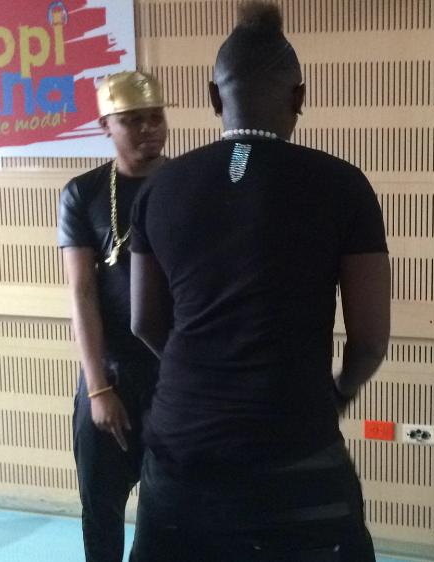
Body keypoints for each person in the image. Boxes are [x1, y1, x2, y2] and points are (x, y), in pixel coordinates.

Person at [126, 2, 390, 561]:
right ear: (299, 97)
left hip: (181, 453)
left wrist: (205, 374)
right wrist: (336, 395)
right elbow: (369, 341)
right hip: (295, 445)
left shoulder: (160, 188)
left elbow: (144, 321)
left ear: (213, 97)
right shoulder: (342, 186)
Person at [57, 70, 169, 562]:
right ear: (106, 124)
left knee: (170, 513)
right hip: (110, 375)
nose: (148, 129)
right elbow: (82, 293)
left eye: (155, 117)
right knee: (100, 510)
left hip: (173, 376)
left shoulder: (189, 184)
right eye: (132, 120)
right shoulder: (82, 194)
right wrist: (98, 389)